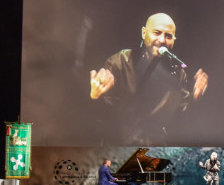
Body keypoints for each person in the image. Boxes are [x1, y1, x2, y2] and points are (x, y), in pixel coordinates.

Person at [89, 13, 208, 145]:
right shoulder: (120, 62)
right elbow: (101, 119)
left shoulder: (179, 74)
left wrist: (195, 99)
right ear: (144, 33)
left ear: (174, 39)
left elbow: (181, 119)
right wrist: (96, 96)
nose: (162, 40)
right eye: (157, 33)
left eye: (168, 36)